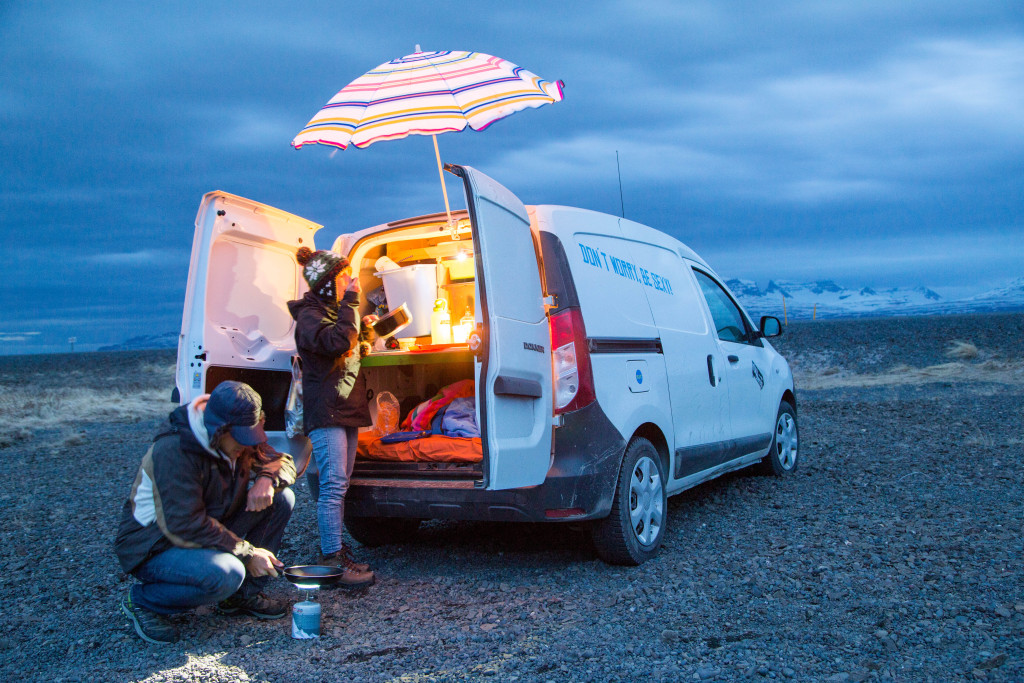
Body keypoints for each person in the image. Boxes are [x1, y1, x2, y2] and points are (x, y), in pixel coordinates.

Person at [114, 381, 296, 644]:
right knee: (228, 572)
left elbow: (284, 461)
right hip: (156, 545)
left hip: (203, 526)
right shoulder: (175, 450)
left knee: (281, 499)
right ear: (218, 430)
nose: (246, 446)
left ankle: (241, 597)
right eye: (241, 439)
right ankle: (144, 601)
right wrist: (247, 553)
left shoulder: (239, 436)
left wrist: (267, 478)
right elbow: (186, 524)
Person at [288, 246, 375, 588]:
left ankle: (338, 552)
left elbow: (347, 347)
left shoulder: (331, 311)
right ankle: (331, 558)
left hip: (345, 407)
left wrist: (365, 332)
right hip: (326, 410)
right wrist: (352, 303)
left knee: (341, 483)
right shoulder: (310, 317)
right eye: (342, 277)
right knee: (333, 486)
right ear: (325, 284)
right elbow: (337, 342)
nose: (349, 282)